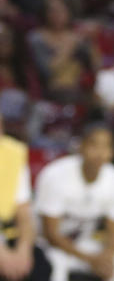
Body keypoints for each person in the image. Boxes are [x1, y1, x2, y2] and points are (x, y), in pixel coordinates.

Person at [34, 124, 114, 281]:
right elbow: (51, 234)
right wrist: (90, 259)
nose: (100, 152)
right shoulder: (55, 174)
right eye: (94, 145)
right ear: (81, 146)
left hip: (85, 244)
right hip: (50, 245)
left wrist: (106, 259)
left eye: (106, 146)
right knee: (55, 264)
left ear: (113, 152)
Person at [0, 111, 50, 281]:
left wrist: (24, 249)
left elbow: (24, 212)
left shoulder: (13, 153)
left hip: (7, 232)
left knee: (40, 265)